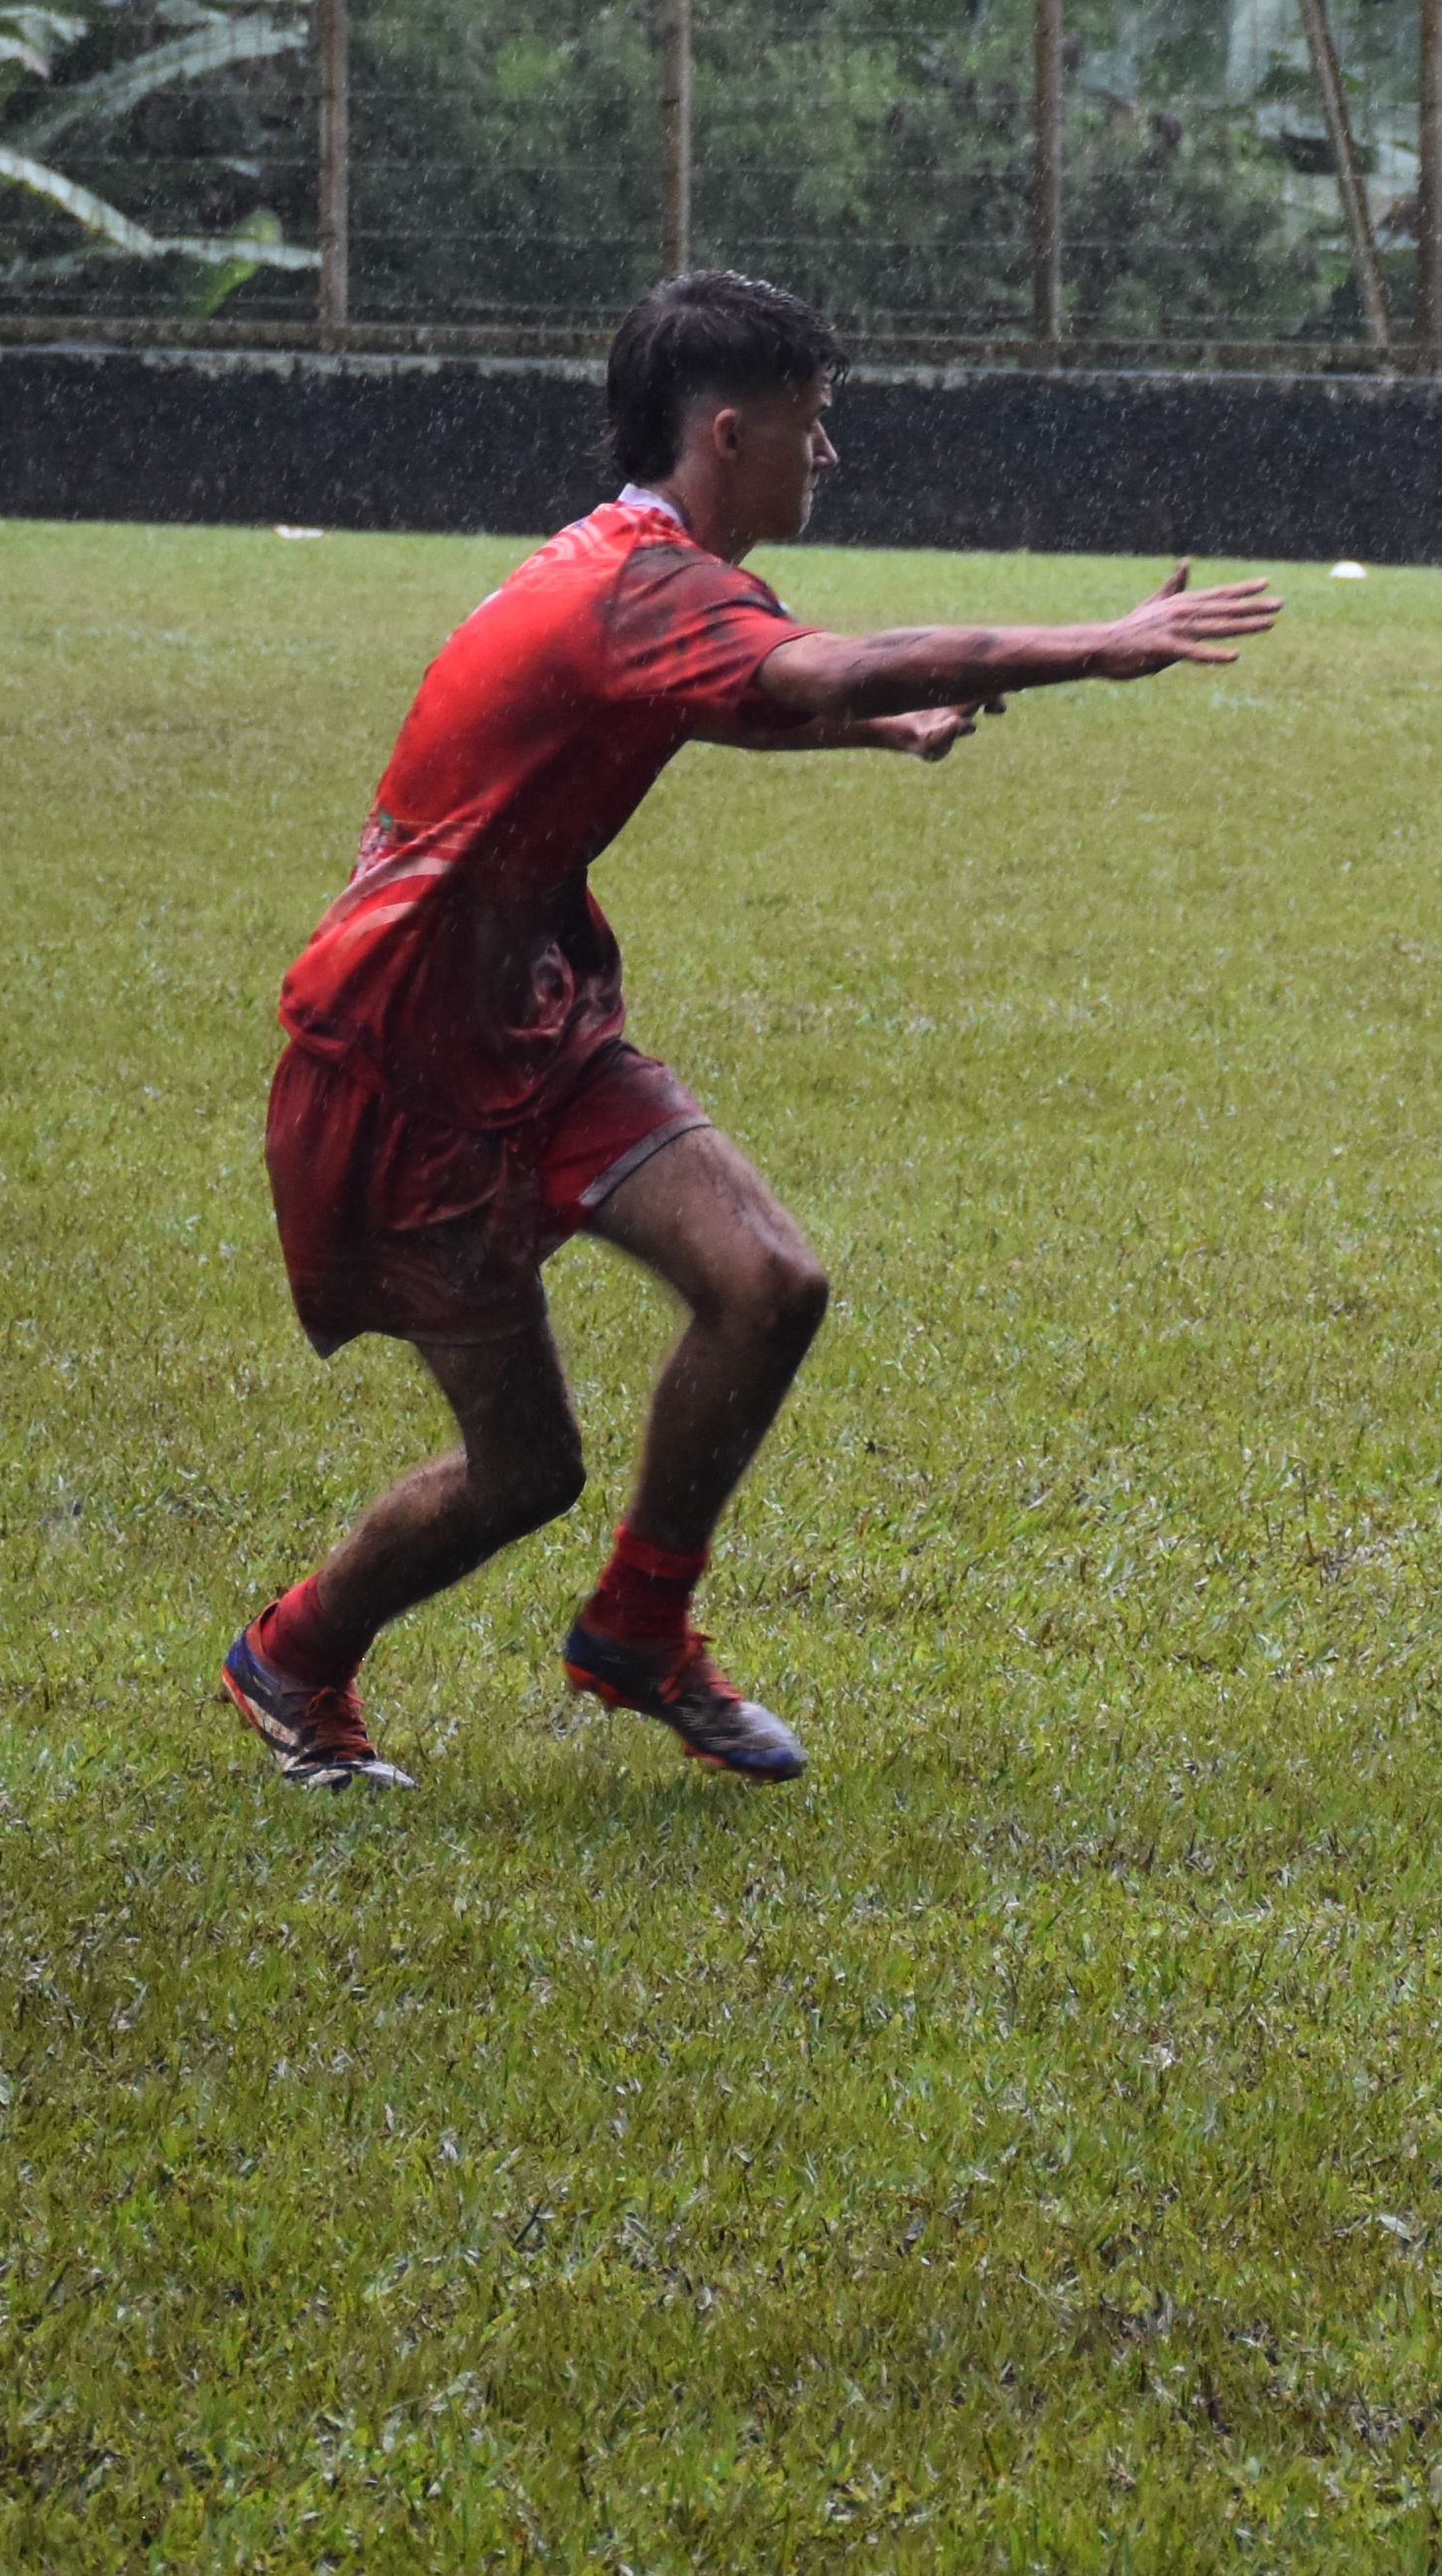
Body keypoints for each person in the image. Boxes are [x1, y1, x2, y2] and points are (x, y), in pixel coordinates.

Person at [223, 270, 1282, 1790]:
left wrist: (883, 728)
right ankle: (294, 1657)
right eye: (813, 427)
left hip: (534, 1021)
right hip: (405, 1065)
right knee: (526, 1471)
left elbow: (739, 697)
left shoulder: (649, 573)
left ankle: (639, 1627)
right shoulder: (634, 588)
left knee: (769, 1283)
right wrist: (1091, 644)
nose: (826, 458)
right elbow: (819, 666)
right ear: (731, 433)